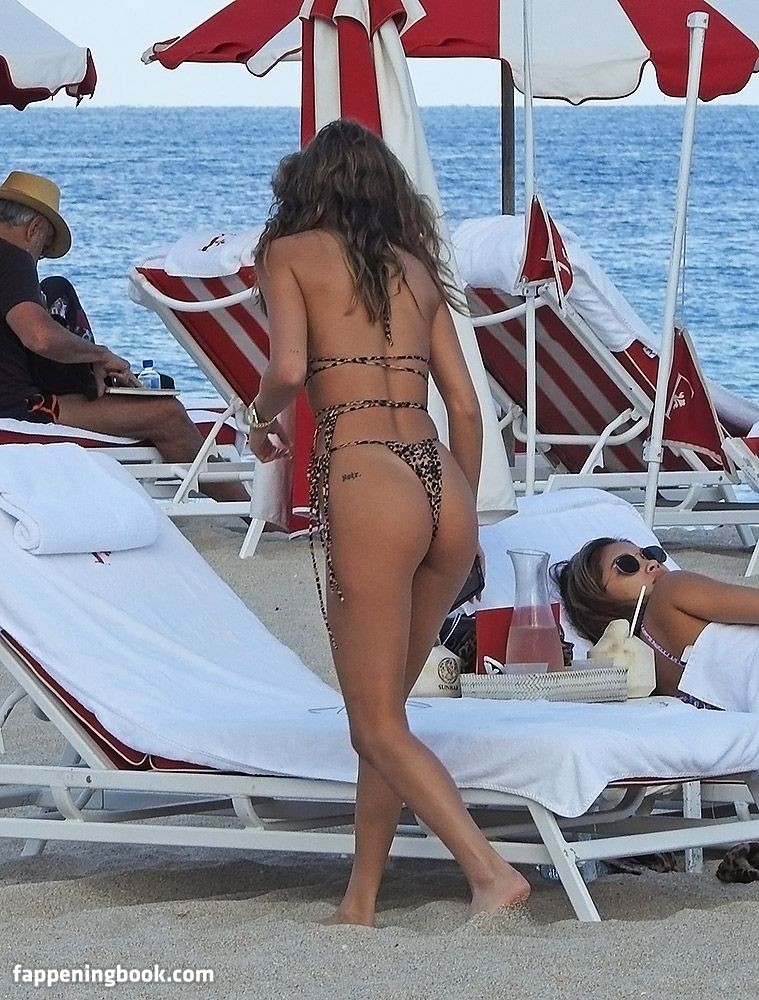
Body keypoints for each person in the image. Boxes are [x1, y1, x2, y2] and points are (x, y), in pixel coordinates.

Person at [245, 119, 530, 925]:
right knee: (387, 718)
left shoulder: (288, 253)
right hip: (441, 479)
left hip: (366, 473)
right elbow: (467, 407)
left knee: (371, 722)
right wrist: (464, 513)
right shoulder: (416, 269)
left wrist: (255, 418)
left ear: (304, 184)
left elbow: (289, 368)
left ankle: (488, 872)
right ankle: (360, 899)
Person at [0, 170, 248, 505]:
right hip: (19, 408)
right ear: (34, 229)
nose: (39, 258)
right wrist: (100, 355)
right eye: (43, 249)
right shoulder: (12, 258)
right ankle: (251, 515)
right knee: (168, 415)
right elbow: (39, 337)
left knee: (56, 289)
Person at [553, 536, 759, 707]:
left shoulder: (649, 681)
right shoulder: (671, 588)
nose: (652, 563)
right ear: (597, 599)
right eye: (627, 564)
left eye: (650, 554)